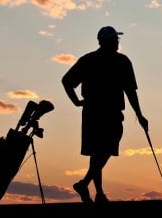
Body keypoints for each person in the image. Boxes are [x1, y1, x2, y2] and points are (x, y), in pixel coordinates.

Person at [62, 26, 148, 203]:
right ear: (106, 41)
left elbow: (67, 81)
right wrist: (139, 115)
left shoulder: (91, 60)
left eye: (117, 39)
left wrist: (77, 102)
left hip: (94, 112)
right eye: (114, 39)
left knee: (98, 153)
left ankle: (98, 193)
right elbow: (130, 91)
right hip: (106, 112)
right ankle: (87, 185)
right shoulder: (120, 61)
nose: (117, 42)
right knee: (103, 150)